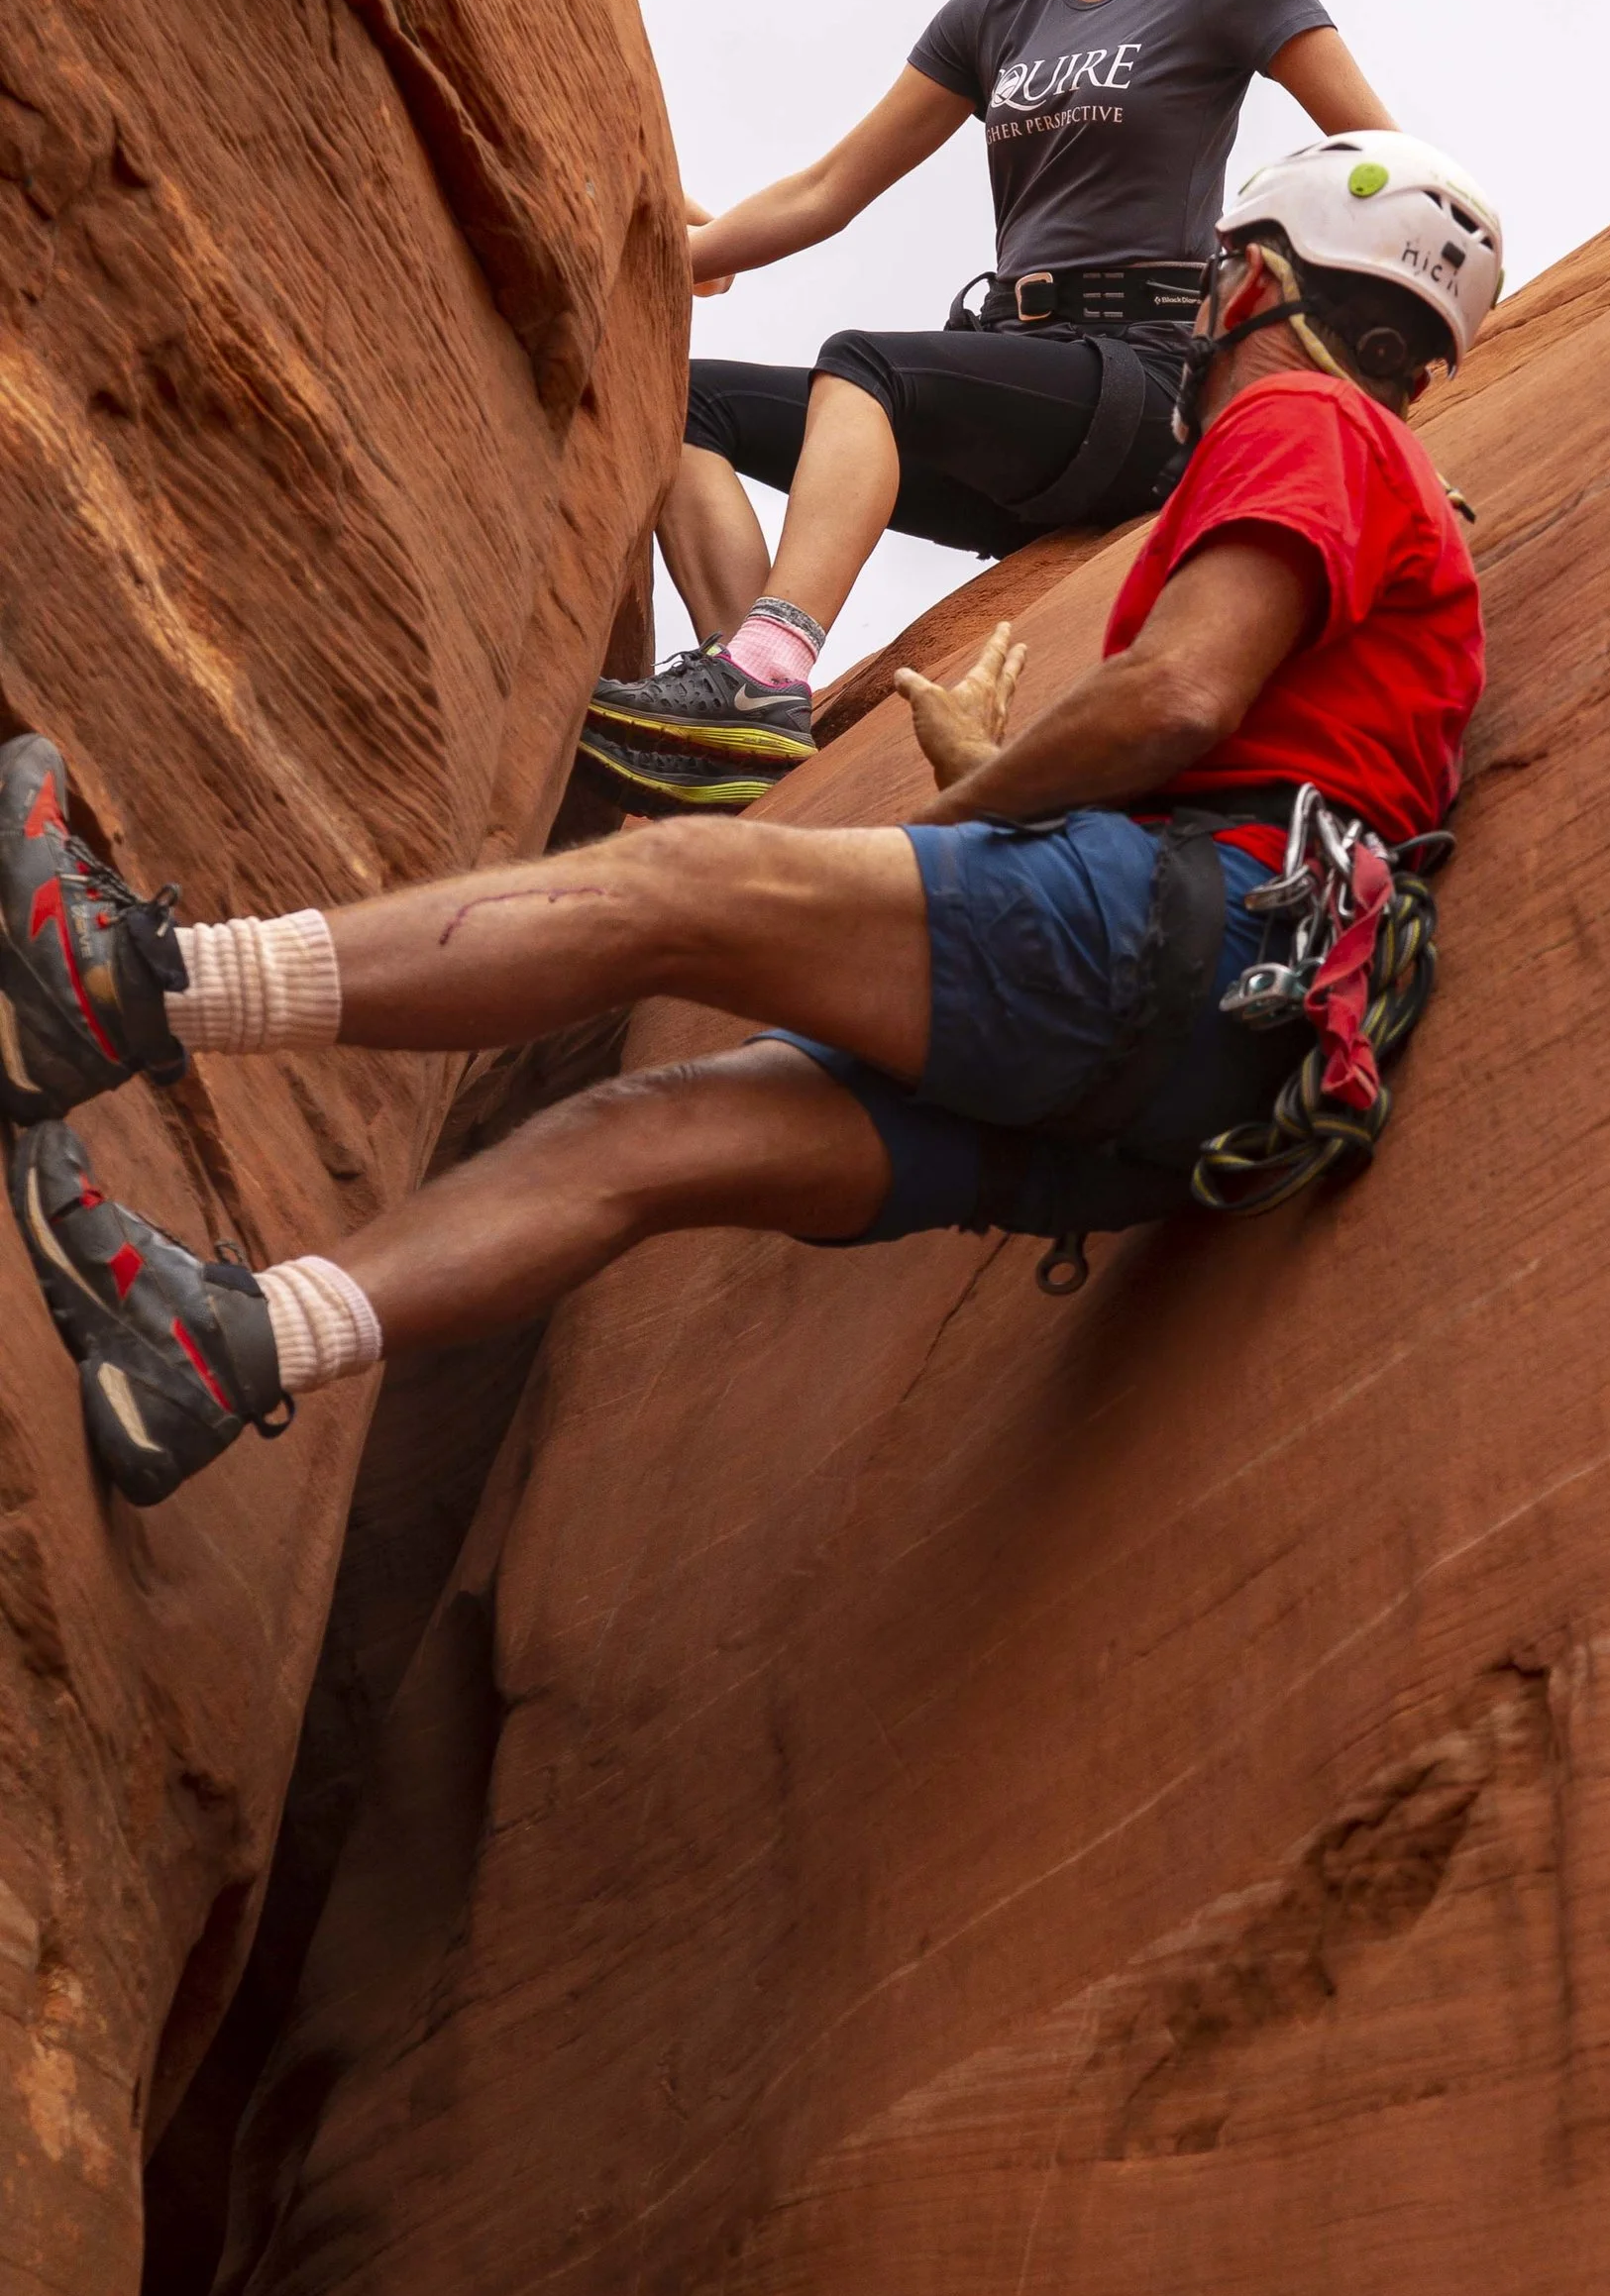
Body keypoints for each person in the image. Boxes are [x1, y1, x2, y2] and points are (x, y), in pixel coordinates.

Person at [0, 137, 1504, 1508]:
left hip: (1200, 929)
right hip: (1223, 1079)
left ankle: (132, 983)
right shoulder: (1389, 474)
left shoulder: (1305, 413)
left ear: (1248, 276)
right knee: (655, 1135)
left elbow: (1179, 688)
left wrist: (970, 815)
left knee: (673, 883)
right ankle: (230, 1348)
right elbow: (1244, 728)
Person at [580, 0, 1410, 814]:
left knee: (864, 364)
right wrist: (667, 264)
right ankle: (750, 702)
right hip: (1019, 382)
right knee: (675, 402)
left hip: (1142, 376)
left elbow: (1377, 156)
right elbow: (829, 187)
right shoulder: (998, 14)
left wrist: (1364, 361)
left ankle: (763, 670)